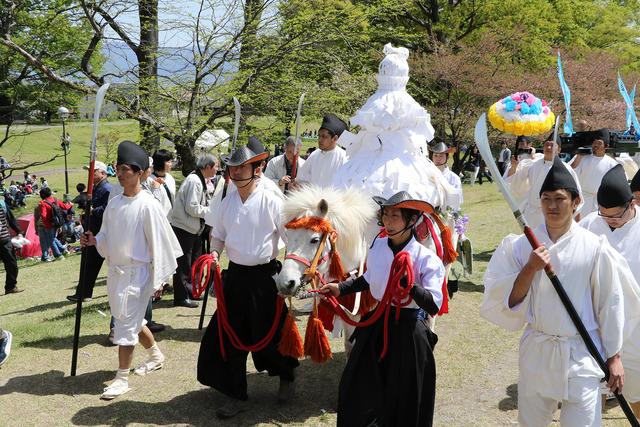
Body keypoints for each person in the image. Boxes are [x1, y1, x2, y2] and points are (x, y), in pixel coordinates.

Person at [481, 157, 631, 426]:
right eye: (546, 198)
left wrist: (614, 357)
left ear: (575, 202)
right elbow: (508, 299)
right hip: (539, 350)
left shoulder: (594, 247)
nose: (552, 205)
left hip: (581, 352)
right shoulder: (522, 246)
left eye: (559, 198)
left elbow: (610, 303)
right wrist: (530, 268)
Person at [320, 191, 444, 427]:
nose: (388, 220)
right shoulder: (378, 245)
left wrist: (410, 287)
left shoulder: (426, 259)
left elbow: (433, 304)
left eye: (395, 215)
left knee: (406, 393)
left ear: (411, 220)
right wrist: (341, 288)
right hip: (378, 321)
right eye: (385, 214)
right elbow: (369, 278)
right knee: (356, 384)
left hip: (410, 329)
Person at [197, 144, 298, 419]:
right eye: (233, 167)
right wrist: (214, 255)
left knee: (272, 335)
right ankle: (236, 394)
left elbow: (290, 239)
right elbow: (217, 234)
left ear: (258, 169)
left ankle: (286, 375)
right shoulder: (227, 200)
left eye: (242, 166)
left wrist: (292, 270)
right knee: (229, 336)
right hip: (236, 277)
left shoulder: (271, 199)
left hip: (265, 278)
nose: (236, 171)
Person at [80, 141, 182, 400]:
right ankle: (157, 356)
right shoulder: (114, 203)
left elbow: (161, 243)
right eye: (119, 168)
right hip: (116, 273)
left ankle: (121, 377)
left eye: (128, 169)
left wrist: (159, 278)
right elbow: (106, 237)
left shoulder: (148, 205)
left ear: (141, 173)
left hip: (138, 274)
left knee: (124, 326)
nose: (122, 173)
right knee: (134, 322)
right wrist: (94, 240)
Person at [579, 164, 640, 417]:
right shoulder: (590, 225)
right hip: (596, 324)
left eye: (616, 215)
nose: (610, 221)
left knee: (635, 396)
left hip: (635, 328)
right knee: (592, 394)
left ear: (632, 205)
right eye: (604, 215)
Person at [168, 154, 216, 308]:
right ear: (207, 167)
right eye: (215, 166)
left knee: (193, 262)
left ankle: (189, 292)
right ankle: (181, 297)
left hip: (193, 228)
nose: (217, 169)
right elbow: (192, 207)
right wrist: (211, 211)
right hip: (184, 228)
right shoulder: (194, 180)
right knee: (183, 263)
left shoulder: (199, 179)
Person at [506, 140, 583, 229]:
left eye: (552, 145)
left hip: (555, 214)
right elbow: (515, 181)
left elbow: (576, 195)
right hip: (532, 214)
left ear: (559, 150)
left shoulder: (566, 169)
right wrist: (514, 166)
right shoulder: (532, 164)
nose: (549, 147)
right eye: (546, 145)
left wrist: (577, 219)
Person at [67, 161, 112, 302]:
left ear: (103, 173)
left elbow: (109, 209)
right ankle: (83, 293)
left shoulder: (107, 189)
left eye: (94, 171)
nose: (90, 174)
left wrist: (92, 211)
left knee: (91, 263)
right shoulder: (96, 188)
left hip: (100, 231)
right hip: (92, 229)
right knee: (88, 263)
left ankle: (84, 293)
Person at [570, 129, 620, 216]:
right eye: (594, 142)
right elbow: (570, 172)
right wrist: (578, 156)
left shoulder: (612, 163)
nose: (596, 145)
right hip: (583, 199)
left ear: (606, 146)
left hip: (601, 201)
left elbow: (619, 182)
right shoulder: (583, 158)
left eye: (599, 143)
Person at [296, 113, 348, 187]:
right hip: (314, 197)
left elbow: (346, 185)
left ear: (335, 138)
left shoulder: (343, 157)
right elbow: (302, 179)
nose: (319, 140)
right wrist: (298, 185)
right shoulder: (314, 155)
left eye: (324, 137)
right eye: (319, 136)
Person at [34, 187, 66, 262]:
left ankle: (57, 255)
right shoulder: (54, 201)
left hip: (43, 225)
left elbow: (37, 218)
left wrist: (36, 228)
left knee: (47, 241)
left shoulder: (41, 204)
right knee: (52, 239)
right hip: (53, 223)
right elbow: (64, 207)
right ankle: (59, 250)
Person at [0, 198, 23, 295]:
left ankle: (10, 287)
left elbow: (10, 218)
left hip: (4, 240)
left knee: (12, 265)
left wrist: (18, 231)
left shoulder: (1, 203)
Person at [149, 149, 176, 217]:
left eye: (171, 161)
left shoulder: (170, 178)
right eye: (169, 162)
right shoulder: (149, 180)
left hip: (170, 218)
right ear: (160, 162)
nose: (171, 164)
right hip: (157, 218)